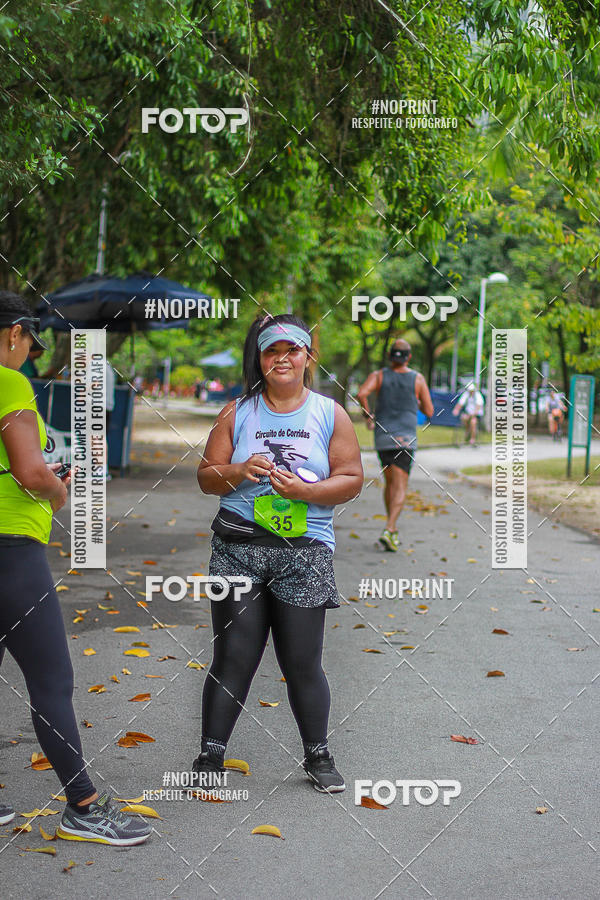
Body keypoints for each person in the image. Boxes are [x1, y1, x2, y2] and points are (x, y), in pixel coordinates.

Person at [0, 291, 150, 845]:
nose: (29, 355)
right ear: (15, 332)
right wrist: (56, 490)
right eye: (29, 342)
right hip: (11, 552)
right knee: (52, 681)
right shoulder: (9, 383)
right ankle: (84, 806)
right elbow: (28, 470)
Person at [194, 313, 363, 793]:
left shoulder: (330, 414)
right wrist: (238, 468)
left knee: (302, 661)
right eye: (272, 351)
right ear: (261, 359)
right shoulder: (237, 412)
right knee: (234, 655)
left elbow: (351, 480)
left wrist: (306, 492)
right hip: (239, 548)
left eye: (293, 349)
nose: (282, 358)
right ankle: (210, 757)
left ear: (309, 357)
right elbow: (206, 477)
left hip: (303, 553)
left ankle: (318, 756)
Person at [357, 338, 433, 552]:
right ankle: (389, 528)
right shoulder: (417, 379)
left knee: (390, 483)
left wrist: (368, 416)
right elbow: (429, 411)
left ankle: (392, 529)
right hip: (405, 440)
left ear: (390, 355)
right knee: (400, 486)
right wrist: (415, 401)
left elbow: (362, 393)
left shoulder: (379, 375)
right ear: (409, 356)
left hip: (382, 437)